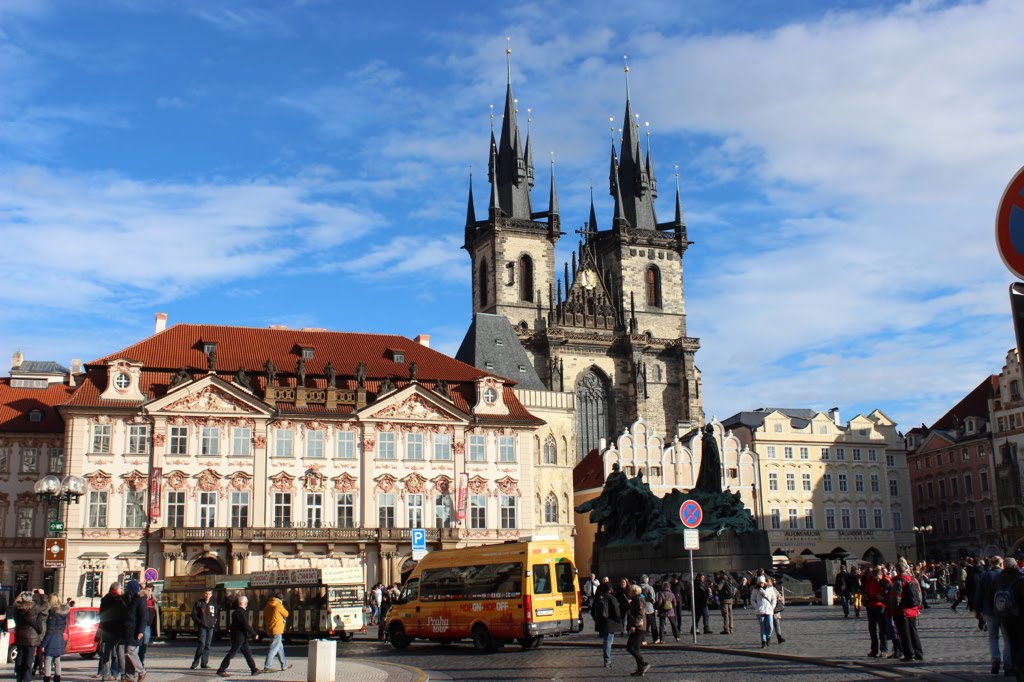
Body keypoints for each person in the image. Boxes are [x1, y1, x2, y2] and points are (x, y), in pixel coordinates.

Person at [216, 595, 259, 677]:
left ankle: (254, 669)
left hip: (241, 637)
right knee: (232, 653)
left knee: (248, 653)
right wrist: (254, 633)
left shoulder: (237, 611)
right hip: (239, 637)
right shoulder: (240, 612)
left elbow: (235, 624)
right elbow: (245, 624)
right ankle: (221, 670)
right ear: (245, 603)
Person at [892, 559, 924, 662]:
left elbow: (897, 598)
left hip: (903, 611)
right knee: (914, 632)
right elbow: (919, 595)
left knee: (904, 634)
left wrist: (894, 610)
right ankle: (919, 654)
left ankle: (909, 655)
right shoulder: (914, 579)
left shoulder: (899, 581)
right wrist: (918, 607)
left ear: (897, 570)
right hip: (913, 610)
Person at [119, 579, 148, 682]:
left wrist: (141, 631)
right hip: (126, 629)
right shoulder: (127, 598)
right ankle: (129, 676)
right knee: (127, 653)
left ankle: (141, 671)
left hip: (135, 630)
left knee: (130, 651)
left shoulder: (140, 599)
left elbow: (144, 616)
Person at [98, 583, 126, 681]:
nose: (121, 590)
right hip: (117, 629)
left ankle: (105, 674)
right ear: (117, 589)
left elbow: (101, 614)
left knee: (107, 652)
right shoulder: (119, 600)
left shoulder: (105, 599)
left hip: (106, 629)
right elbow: (122, 615)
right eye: (121, 588)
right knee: (118, 652)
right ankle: (121, 673)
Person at [13, 591, 43, 682]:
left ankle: (19, 677)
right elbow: (44, 606)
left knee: (20, 656)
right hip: (31, 638)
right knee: (28, 660)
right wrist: (41, 595)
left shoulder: (17, 608)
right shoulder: (32, 609)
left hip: (20, 635)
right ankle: (27, 678)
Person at [592, 583, 622, 669]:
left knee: (606, 641)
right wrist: (618, 620)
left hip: (601, 622)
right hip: (610, 622)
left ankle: (607, 660)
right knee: (608, 642)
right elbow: (617, 611)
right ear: (609, 589)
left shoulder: (598, 598)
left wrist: (596, 620)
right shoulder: (611, 598)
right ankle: (607, 661)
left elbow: (593, 612)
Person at [40, 594, 69, 682]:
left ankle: (47, 678)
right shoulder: (63, 613)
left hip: (51, 639)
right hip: (59, 638)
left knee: (48, 660)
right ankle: (57, 678)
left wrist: (44, 644)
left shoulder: (52, 614)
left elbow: (50, 630)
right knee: (57, 659)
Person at [624, 585, 652, 676]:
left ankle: (644, 663)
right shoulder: (636, 600)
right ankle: (640, 669)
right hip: (638, 626)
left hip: (638, 627)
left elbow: (639, 614)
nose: (629, 592)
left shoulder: (638, 600)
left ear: (634, 592)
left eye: (630, 591)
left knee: (630, 647)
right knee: (636, 648)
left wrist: (633, 625)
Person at [864, 565, 891, 657]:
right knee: (872, 630)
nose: (877, 579)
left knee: (882, 630)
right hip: (871, 606)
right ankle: (874, 650)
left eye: (878, 577)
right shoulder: (871, 580)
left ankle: (884, 650)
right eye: (875, 577)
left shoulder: (886, 580)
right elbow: (867, 591)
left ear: (881, 575)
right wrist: (867, 597)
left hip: (881, 607)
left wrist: (881, 597)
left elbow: (889, 593)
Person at [261, 593, 290, 672]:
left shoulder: (267, 606)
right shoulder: (278, 605)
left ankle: (284, 665)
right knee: (273, 648)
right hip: (277, 629)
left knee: (279, 648)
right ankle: (268, 666)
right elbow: (286, 614)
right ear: (281, 599)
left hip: (270, 629)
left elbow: (264, 616)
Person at [190, 589, 217, 670]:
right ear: (203, 594)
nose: (207, 595)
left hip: (210, 627)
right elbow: (193, 615)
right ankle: (195, 663)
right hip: (202, 627)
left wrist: (214, 621)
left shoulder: (213, 603)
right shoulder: (199, 603)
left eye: (209, 594)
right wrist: (200, 622)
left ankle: (204, 663)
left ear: (211, 595)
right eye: (206, 594)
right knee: (201, 644)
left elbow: (216, 614)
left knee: (207, 645)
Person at [751, 575, 778, 648]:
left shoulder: (770, 589)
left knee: (770, 626)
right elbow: (752, 599)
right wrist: (756, 606)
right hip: (760, 610)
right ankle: (763, 640)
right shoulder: (755, 590)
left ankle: (768, 636)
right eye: (760, 583)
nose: (761, 584)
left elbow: (774, 598)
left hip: (769, 609)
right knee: (763, 626)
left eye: (762, 582)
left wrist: (772, 607)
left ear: (765, 582)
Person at [638, 575, 658, 644]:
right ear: (647, 580)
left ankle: (643, 640)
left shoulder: (638, 588)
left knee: (643, 625)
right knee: (653, 624)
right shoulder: (649, 588)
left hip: (641, 607)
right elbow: (653, 598)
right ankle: (655, 639)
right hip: (649, 608)